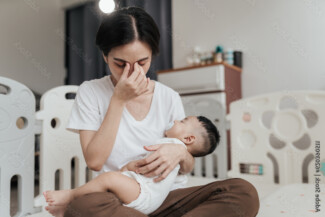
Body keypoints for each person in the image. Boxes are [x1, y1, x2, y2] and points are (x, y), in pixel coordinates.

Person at [44, 6, 259, 217]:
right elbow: (95, 161)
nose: (132, 72)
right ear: (105, 56)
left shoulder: (168, 97)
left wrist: (181, 152)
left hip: (170, 197)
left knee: (243, 192)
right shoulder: (90, 92)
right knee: (82, 207)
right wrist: (118, 100)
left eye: (142, 62)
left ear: (152, 56)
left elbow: (188, 163)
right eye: (120, 64)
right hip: (119, 197)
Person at [43, 115, 220, 215]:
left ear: (188, 139)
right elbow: (147, 167)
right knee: (101, 189)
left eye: (181, 122)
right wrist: (129, 167)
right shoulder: (172, 144)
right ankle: (71, 208)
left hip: (145, 194)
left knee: (108, 179)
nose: (175, 121)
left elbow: (155, 171)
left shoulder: (174, 144)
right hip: (141, 192)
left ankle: (70, 196)